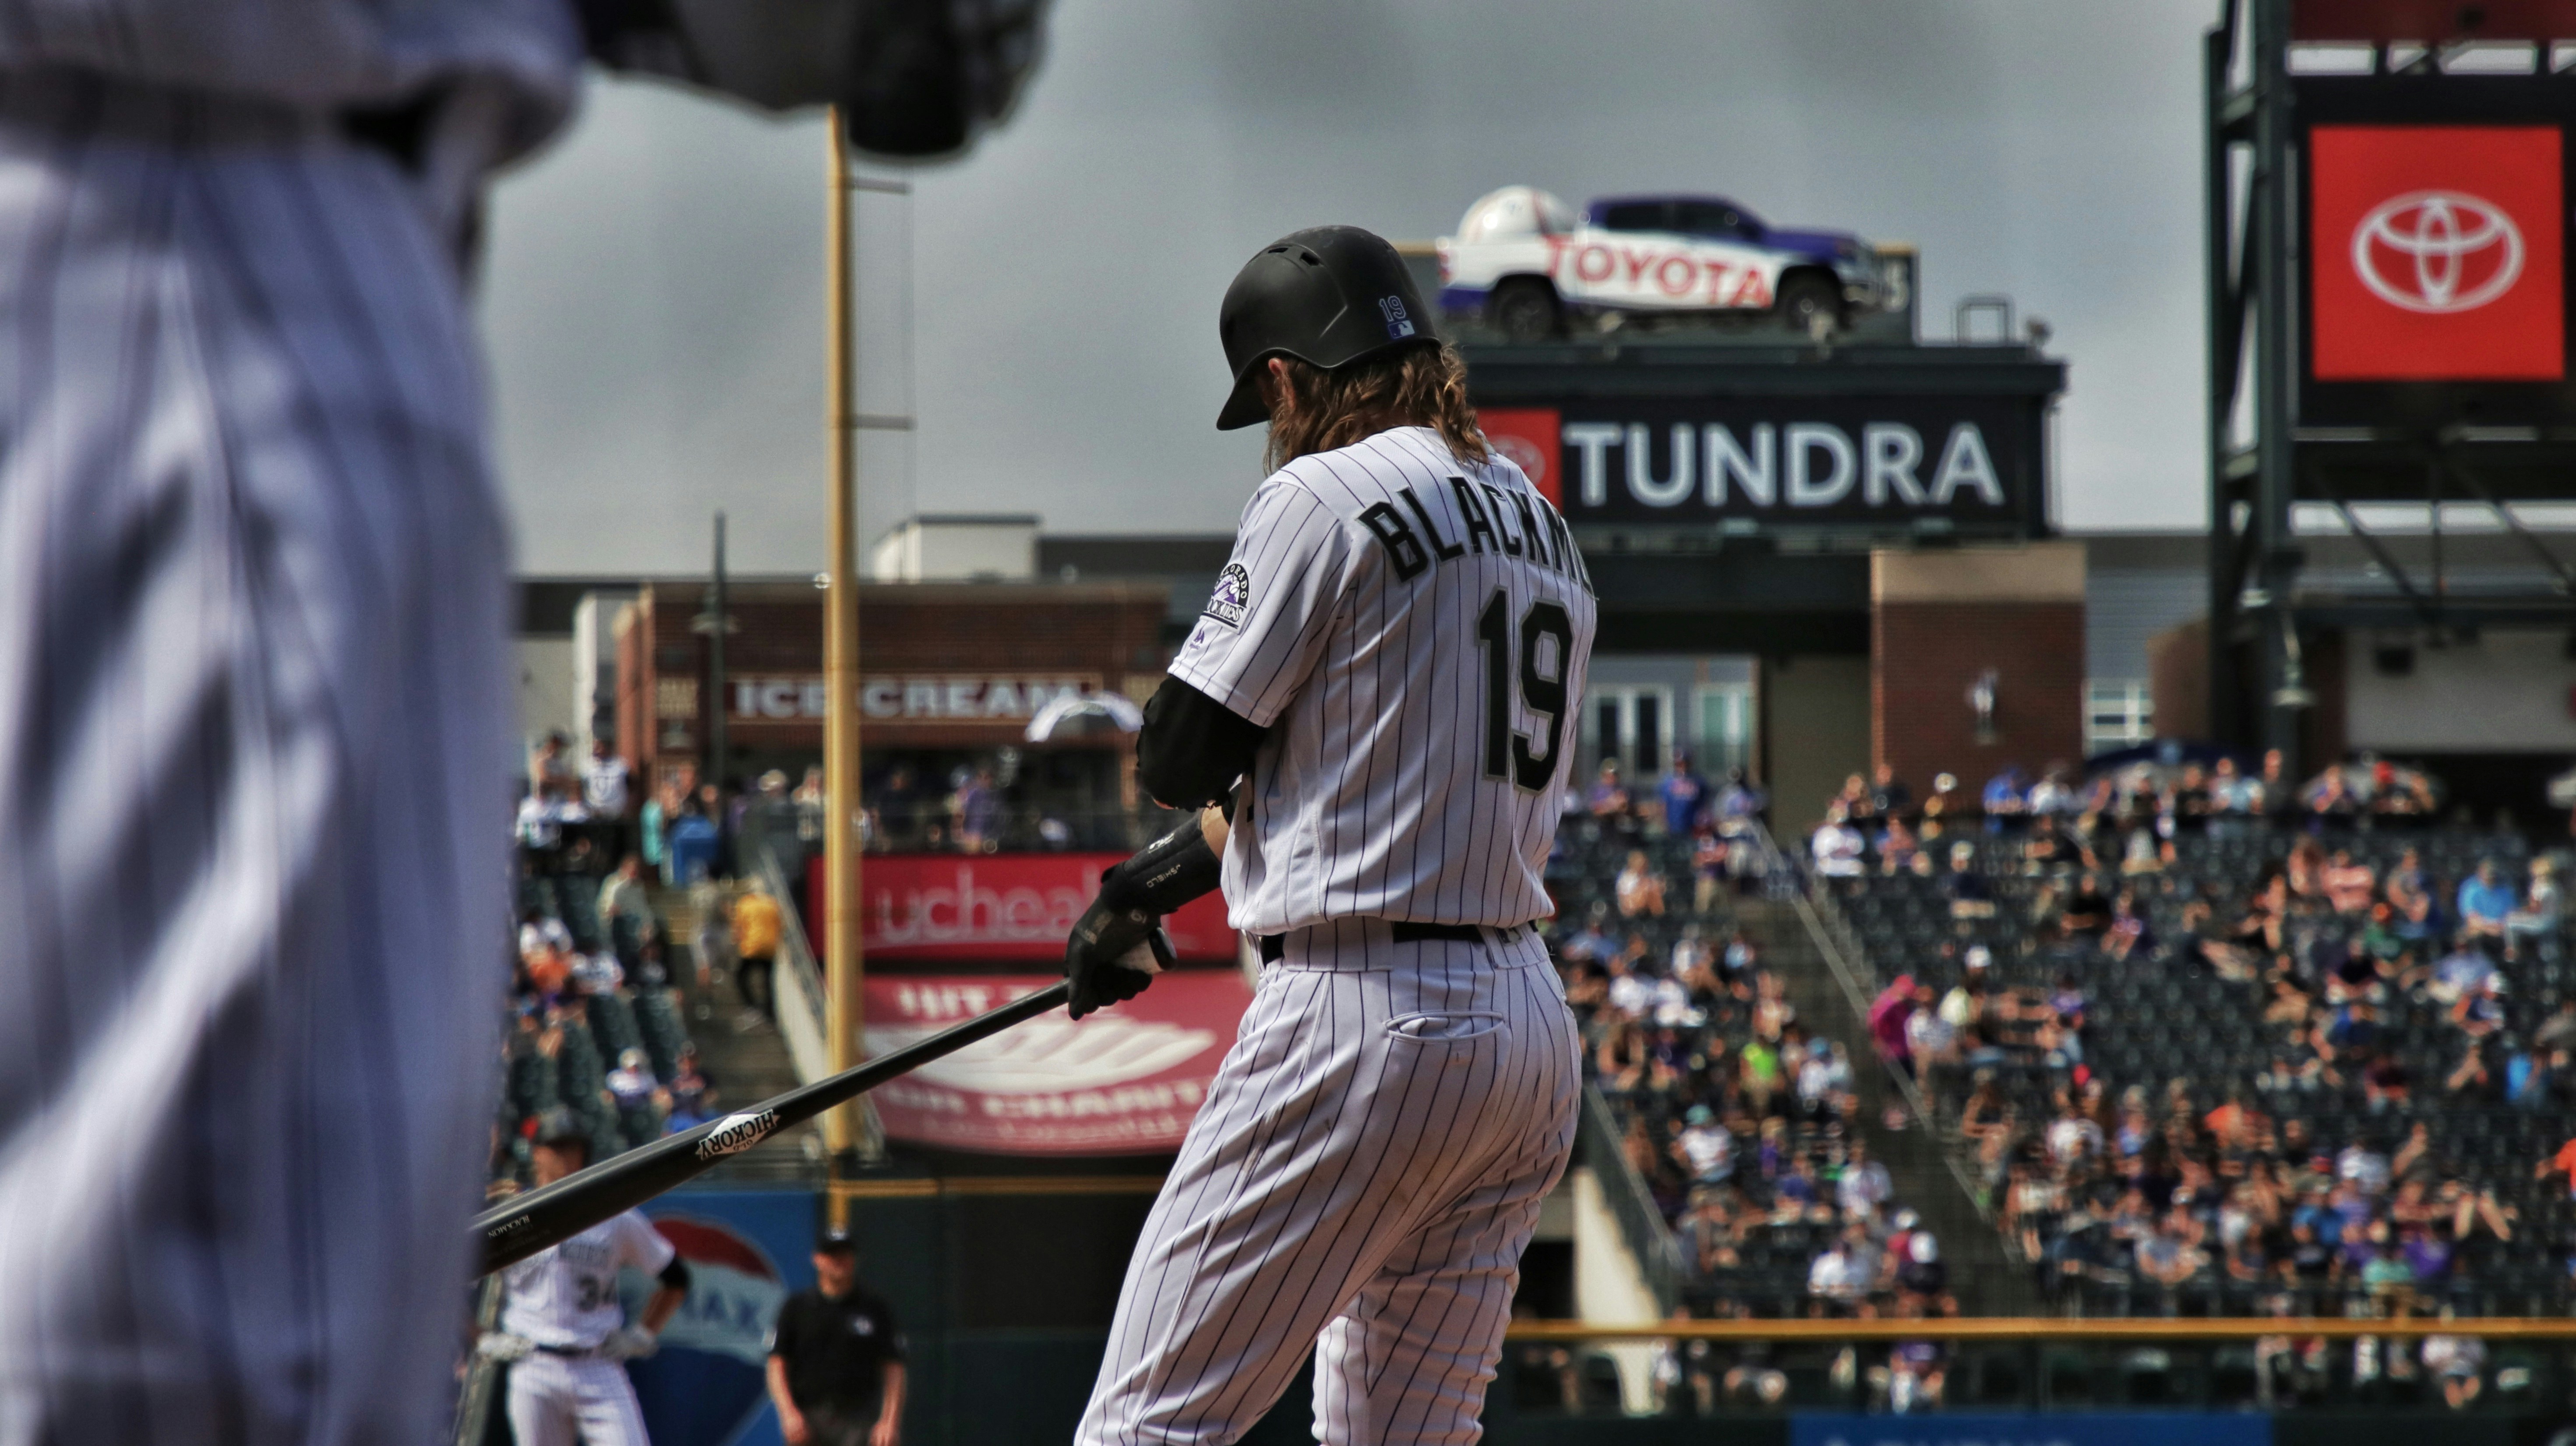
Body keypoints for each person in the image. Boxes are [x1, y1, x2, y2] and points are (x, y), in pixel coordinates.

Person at [1061, 226, 1594, 1446]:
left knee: (1148, 1426)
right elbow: (1367, 762)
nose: (1269, 425)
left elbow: (1179, 755)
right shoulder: (1536, 516)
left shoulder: (1320, 490)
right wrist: (1150, 887)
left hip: (1362, 1014)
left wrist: (1164, 834)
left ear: (1291, 379)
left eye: (1266, 398)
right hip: (1521, 1030)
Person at [480, 1122, 692, 1446]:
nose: (568, 1156)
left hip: (598, 1364)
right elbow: (444, 1283)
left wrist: (643, 1333)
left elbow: (676, 1277)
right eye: (558, 1147)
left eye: (574, 1147)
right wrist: (481, 1338)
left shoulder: (613, 1214)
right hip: (533, 1364)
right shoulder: (511, 1215)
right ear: (537, 1153)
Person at [766, 1227, 907, 1446]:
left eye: (845, 1254)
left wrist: (889, 1423)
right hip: (810, 1418)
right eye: (833, 1255)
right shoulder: (797, 1308)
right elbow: (777, 1364)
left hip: (859, 1418)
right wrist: (789, 1414)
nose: (840, 1261)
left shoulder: (874, 1309)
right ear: (817, 1259)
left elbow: (894, 1367)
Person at [733, 878, 785, 1027]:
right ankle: (771, 1016)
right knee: (768, 982)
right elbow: (781, 926)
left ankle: (752, 1007)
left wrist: (738, 942)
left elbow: (739, 928)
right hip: (770, 948)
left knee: (740, 977)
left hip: (752, 947)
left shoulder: (745, 904)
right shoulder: (772, 903)